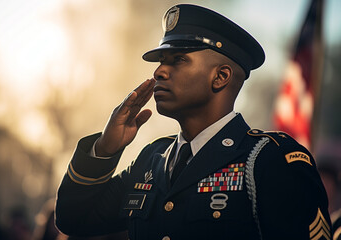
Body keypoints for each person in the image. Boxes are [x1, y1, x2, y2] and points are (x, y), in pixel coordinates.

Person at [55, 4, 331, 240]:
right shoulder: (152, 159)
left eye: (178, 60)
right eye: (161, 60)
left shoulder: (269, 160)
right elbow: (74, 219)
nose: (160, 71)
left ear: (221, 77)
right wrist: (104, 150)